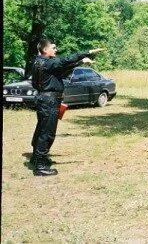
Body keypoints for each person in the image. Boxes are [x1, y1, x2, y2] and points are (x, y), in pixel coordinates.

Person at [30, 39, 104, 176]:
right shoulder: (48, 63)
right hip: (49, 101)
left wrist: (81, 62)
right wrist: (87, 52)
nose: (56, 49)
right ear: (45, 50)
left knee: (41, 130)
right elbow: (66, 60)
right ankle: (40, 166)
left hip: (43, 99)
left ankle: (37, 158)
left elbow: (62, 70)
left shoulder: (38, 62)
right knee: (47, 133)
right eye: (53, 47)